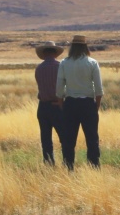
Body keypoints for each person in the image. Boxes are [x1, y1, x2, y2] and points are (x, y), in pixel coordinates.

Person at [56, 35, 103, 170]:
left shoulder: (64, 63)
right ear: (85, 47)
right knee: (92, 138)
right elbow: (99, 90)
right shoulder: (92, 63)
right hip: (88, 103)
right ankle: (94, 166)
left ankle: (69, 166)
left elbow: (59, 87)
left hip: (70, 104)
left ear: (72, 47)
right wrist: (96, 106)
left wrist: (61, 104)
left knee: (68, 139)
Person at [33, 41, 66, 166]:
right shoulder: (60, 67)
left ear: (44, 53)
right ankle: (67, 161)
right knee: (64, 137)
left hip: (43, 106)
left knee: (46, 138)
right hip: (58, 105)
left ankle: (48, 163)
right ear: (55, 53)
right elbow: (64, 87)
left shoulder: (39, 68)